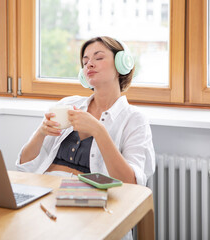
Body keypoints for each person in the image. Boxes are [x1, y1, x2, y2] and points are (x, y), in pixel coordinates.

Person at [16, 36, 155, 186]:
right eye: (85, 61)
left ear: (121, 64)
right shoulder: (67, 104)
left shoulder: (134, 119)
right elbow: (23, 165)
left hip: (87, 194)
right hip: (45, 186)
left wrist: (99, 131)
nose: (89, 64)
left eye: (99, 57)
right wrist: (41, 133)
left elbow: (132, 183)